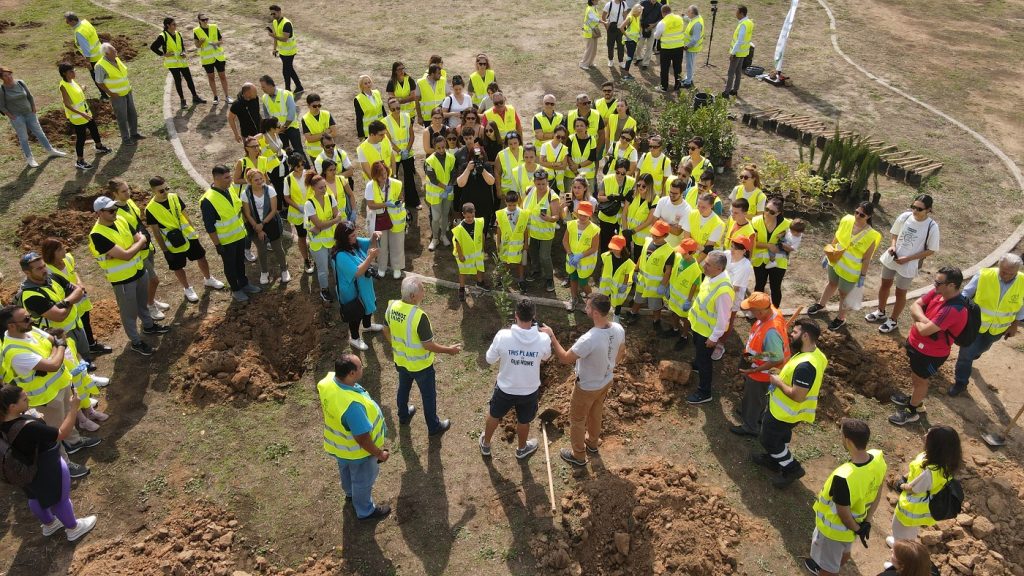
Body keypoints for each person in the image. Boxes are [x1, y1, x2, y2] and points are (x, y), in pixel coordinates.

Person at [0, 305, 100, 478]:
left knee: (68, 416)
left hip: (60, 385)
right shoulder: (15, 352)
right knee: (54, 434)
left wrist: (56, 347)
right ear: (11, 326)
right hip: (45, 398)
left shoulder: (30, 330)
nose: (31, 319)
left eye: (29, 315)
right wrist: (58, 347)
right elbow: (53, 364)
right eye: (25, 318)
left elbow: (56, 339)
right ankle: (65, 465)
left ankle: (74, 442)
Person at [0, 383, 98, 539]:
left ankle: (49, 524)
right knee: (59, 498)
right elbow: (61, 433)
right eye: (24, 399)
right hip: (45, 466)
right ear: (12, 406)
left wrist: (34, 417)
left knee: (34, 497)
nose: (29, 399)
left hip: (23, 471)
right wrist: (73, 408)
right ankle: (73, 528)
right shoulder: (28, 428)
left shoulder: (5, 422)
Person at [541, 293, 626, 467]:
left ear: (595, 313)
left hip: (586, 387)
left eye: (588, 307)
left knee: (577, 420)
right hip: (606, 381)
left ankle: (578, 456)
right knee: (596, 411)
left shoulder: (589, 339)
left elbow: (565, 358)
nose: (585, 309)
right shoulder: (618, 328)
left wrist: (552, 336)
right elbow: (622, 351)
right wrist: (609, 366)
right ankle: (592, 443)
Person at [805, 418, 887, 576]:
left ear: (848, 441)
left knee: (828, 568)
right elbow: (878, 491)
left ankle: (825, 569)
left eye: (841, 435)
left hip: (833, 532)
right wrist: (866, 523)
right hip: (855, 525)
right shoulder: (877, 459)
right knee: (844, 553)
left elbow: (843, 513)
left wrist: (857, 529)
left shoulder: (844, 477)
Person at [89, 196, 169, 355]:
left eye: (115, 208)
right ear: (99, 213)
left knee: (143, 303)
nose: (115, 212)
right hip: (123, 280)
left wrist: (131, 248)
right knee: (129, 313)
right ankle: (136, 342)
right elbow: (128, 253)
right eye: (111, 210)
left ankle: (148, 326)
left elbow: (140, 241)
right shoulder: (97, 235)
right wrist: (136, 245)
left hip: (139, 271)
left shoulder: (121, 220)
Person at [383, 276, 462, 436]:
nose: (424, 292)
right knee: (428, 396)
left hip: (401, 361)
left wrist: (397, 345)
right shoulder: (419, 316)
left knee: (403, 389)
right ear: (412, 296)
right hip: (421, 367)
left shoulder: (391, 307)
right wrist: (449, 350)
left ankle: (403, 416)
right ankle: (434, 427)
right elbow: (428, 345)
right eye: (422, 290)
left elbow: (385, 330)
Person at [889, 266, 968, 426]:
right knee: (916, 376)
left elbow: (924, 330)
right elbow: (914, 306)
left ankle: (912, 411)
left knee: (921, 380)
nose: (934, 285)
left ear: (951, 285)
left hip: (930, 354)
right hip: (916, 346)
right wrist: (926, 321)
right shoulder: (939, 292)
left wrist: (919, 319)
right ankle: (914, 400)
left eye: (938, 283)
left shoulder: (954, 309)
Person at [753, 318, 827, 488]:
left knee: (768, 440)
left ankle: (792, 468)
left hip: (784, 413)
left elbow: (798, 395)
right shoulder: (817, 355)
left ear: (805, 336)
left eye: (795, 332)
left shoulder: (806, 366)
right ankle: (774, 460)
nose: (791, 334)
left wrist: (777, 381)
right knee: (781, 436)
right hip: (792, 413)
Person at [316, 354, 391, 520]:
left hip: (339, 447)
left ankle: (350, 493)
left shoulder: (327, 382)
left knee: (346, 472)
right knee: (363, 481)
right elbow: (362, 439)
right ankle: (365, 511)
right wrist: (379, 454)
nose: (362, 368)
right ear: (351, 373)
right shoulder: (353, 406)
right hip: (358, 453)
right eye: (360, 366)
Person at [480, 298, 550, 459]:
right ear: (533, 316)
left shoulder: (503, 336)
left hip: (505, 388)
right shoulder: (543, 339)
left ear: (516, 315)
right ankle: (521, 449)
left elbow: (490, 359)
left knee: (494, 414)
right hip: (529, 390)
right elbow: (546, 357)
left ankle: (486, 444)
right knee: (524, 420)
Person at [950, 254, 1023, 396]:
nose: (1006, 276)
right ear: (999, 266)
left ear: (1017, 271)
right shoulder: (984, 275)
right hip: (975, 325)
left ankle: (975, 354)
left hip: (998, 329)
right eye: (1003, 272)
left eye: (1010, 274)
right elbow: (965, 294)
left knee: (981, 349)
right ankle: (960, 382)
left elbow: (1022, 305)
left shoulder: (1022, 281)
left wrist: (1015, 324)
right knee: (966, 354)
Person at [866, 194, 940, 334]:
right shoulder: (905, 217)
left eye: (919, 209)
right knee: (885, 285)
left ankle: (893, 320)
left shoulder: (932, 226)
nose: (915, 211)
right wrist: (893, 246)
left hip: (908, 264)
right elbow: (895, 233)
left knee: (900, 292)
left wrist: (909, 258)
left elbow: (931, 250)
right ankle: (880, 311)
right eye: (913, 207)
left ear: (928, 210)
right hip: (893, 258)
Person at [144, 176, 224, 303]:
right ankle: (187, 288)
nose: (165, 192)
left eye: (167, 188)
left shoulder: (174, 197)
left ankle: (208, 279)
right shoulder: (150, 209)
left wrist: (193, 230)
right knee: (178, 267)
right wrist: (165, 251)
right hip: (173, 244)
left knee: (202, 257)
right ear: (153, 191)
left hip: (189, 236)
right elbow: (157, 233)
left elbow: (185, 215)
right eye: (161, 191)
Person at [808, 202, 882, 332]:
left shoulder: (872, 235)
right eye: (856, 212)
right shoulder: (847, 220)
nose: (858, 216)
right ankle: (820, 304)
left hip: (850, 270)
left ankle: (841, 318)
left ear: (869, 217)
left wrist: (862, 276)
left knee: (843, 294)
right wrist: (828, 253)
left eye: (862, 215)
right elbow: (837, 237)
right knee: (831, 283)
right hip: (835, 261)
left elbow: (866, 259)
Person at [888, 426, 962, 547]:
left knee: (898, 528)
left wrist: (900, 484)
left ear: (935, 447)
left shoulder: (928, 473)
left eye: (929, 435)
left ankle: (899, 554)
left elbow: (913, 488)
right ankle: (902, 543)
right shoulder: (945, 463)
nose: (925, 435)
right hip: (921, 510)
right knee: (910, 531)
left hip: (910, 509)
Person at [729, 292, 790, 436]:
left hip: (761, 371)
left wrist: (753, 371)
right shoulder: (772, 310)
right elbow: (771, 352)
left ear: (762, 311)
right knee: (755, 397)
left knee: (755, 395)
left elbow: (776, 359)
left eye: (752, 310)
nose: (750, 312)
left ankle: (750, 427)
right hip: (755, 358)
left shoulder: (771, 333)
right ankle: (751, 412)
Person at [107, 178, 168, 320]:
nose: (128, 193)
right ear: (114, 194)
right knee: (154, 280)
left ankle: (150, 300)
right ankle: (150, 306)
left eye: (128, 189)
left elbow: (139, 222)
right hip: (138, 251)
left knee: (148, 281)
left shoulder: (129, 202)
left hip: (146, 246)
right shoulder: (116, 213)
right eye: (123, 191)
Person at [17, 252, 92, 368]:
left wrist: (65, 302)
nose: (44, 270)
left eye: (44, 266)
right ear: (27, 273)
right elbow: (59, 316)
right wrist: (71, 300)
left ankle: (88, 368)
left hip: (77, 325)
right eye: (39, 269)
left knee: (85, 356)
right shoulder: (30, 295)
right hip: (59, 336)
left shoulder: (52, 277)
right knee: (72, 365)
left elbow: (79, 290)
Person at [40, 240, 110, 356]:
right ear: (52, 253)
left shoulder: (68, 258)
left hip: (80, 299)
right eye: (60, 249)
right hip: (68, 301)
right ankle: (79, 354)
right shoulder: (48, 270)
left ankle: (91, 345)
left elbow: (74, 272)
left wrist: (79, 283)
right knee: (73, 329)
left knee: (85, 322)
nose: (65, 250)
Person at [202, 165, 260, 303]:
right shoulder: (208, 200)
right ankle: (235, 289)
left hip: (239, 236)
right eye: (227, 177)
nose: (230, 180)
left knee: (240, 263)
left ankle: (244, 284)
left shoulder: (230, 189)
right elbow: (209, 227)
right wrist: (217, 245)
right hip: (226, 241)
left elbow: (237, 210)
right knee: (230, 266)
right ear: (216, 178)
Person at [686, 250, 733, 404]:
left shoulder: (723, 291)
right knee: (700, 354)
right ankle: (697, 364)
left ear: (719, 269)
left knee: (706, 362)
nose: (703, 266)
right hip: (698, 326)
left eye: (707, 264)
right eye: (705, 262)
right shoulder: (711, 276)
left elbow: (723, 318)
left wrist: (714, 338)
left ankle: (704, 392)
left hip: (707, 333)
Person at [332, 224, 385, 351]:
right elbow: (357, 272)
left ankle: (367, 326)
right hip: (351, 291)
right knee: (355, 314)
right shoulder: (341, 256)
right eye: (352, 235)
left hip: (363, 286)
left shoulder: (353, 243)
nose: (356, 237)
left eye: (355, 234)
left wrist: (373, 236)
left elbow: (368, 242)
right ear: (344, 238)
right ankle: (354, 338)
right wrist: (370, 257)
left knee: (368, 303)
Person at [2, 68, 66, 168]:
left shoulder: (20, 83)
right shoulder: (2, 90)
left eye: (9, 74)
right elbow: (1, 106)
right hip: (17, 117)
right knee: (23, 138)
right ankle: (30, 158)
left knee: (40, 133)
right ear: (2, 78)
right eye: (5, 76)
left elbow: (29, 96)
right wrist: (11, 116)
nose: (8, 77)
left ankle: (51, 151)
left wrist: (33, 107)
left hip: (29, 113)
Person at [55, 64, 108, 171]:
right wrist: (82, 114)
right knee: (81, 138)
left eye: (74, 70)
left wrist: (82, 88)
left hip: (86, 112)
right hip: (78, 117)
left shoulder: (72, 81)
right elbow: (67, 104)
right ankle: (79, 161)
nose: (74, 73)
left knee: (94, 129)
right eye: (71, 71)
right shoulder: (63, 86)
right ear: (64, 73)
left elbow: (76, 93)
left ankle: (99, 146)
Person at [241, 170, 289, 286]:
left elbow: (273, 210)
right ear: (249, 181)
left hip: (271, 222)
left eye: (261, 179)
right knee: (261, 249)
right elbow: (247, 214)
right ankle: (264, 272)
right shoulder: (245, 193)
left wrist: (262, 225)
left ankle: (284, 269)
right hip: (254, 224)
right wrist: (257, 228)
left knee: (277, 247)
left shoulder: (270, 190)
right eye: (256, 180)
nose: (259, 182)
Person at [624, 219, 673, 327]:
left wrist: (663, 285)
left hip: (655, 285)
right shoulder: (647, 241)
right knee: (638, 298)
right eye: (653, 234)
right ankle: (633, 313)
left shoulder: (669, 251)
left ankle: (656, 321)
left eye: (658, 236)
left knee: (655, 305)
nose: (654, 237)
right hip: (642, 280)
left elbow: (668, 270)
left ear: (666, 235)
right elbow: (642, 256)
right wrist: (636, 270)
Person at [365, 161, 407, 279]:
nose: (384, 176)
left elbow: (401, 198)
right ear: (375, 176)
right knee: (381, 245)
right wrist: (386, 204)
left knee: (397, 243)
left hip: (395, 219)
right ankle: (382, 267)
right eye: (380, 174)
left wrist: (399, 203)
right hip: (380, 219)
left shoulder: (396, 183)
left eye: (384, 173)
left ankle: (397, 267)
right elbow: (371, 205)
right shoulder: (370, 186)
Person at [150, 17, 206, 109]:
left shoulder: (178, 34)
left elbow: (182, 47)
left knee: (189, 79)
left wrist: (183, 52)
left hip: (182, 61)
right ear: (168, 25)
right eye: (173, 24)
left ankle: (195, 97)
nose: (176, 25)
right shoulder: (162, 36)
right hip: (172, 63)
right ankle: (182, 100)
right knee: (178, 81)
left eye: (175, 24)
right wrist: (163, 54)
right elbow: (153, 47)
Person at [714, 235, 754, 360]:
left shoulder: (745, 266)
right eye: (732, 246)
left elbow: (734, 288)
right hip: (718, 293)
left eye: (736, 248)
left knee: (727, 321)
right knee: (716, 317)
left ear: (744, 251)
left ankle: (720, 344)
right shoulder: (726, 255)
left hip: (731, 298)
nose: (732, 249)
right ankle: (713, 337)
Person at [304, 172, 342, 301]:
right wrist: (333, 221)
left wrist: (321, 226)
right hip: (318, 243)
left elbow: (322, 224)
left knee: (337, 266)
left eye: (325, 186)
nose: (324, 189)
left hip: (332, 240)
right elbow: (320, 223)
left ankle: (340, 287)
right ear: (313, 188)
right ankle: (324, 290)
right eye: (321, 187)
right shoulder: (309, 204)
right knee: (323, 270)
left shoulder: (330, 198)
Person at [95, 43, 143, 146]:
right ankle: (125, 138)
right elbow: (99, 82)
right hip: (116, 96)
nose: (116, 51)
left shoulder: (116, 59)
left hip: (127, 91)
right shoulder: (100, 66)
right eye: (114, 51)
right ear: (107, 53)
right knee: (122, 118)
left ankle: (134, 133)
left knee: (132, 114)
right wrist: (110, 93)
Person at [751, 197, 792, 308]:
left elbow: (792, 246)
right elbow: (752, 243)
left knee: (775, 287)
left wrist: (782, 245)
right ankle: (756, 309)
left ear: (778, 213)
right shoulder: (756, 221)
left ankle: (775, 312)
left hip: (778, 262)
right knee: (759, 285)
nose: (767, 213)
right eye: (766, 209)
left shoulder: (788, 225)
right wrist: (768, 245)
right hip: (759, 261)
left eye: (772, 212)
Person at [524, 170, 561, 293]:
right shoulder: (530, 191)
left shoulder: (553, 197)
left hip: (546, 233)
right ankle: (536, 271)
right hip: (531, 232)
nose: (541, 187)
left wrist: (549, 219)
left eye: (543, 184)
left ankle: (549, 278)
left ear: (547, 182)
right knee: (533, 253)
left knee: (544, 256)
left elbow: (557, 216)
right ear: (534, 182)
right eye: (538, 184)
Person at [663, 237, 703, 347]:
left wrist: (689, 300)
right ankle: (675, 329)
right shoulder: (679, 258)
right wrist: (668, 286)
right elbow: (674, 273)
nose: (682, 255)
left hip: (684, 299)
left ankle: (684, 335)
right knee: (674, 313)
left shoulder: (696, 269)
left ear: (693, 253)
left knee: (685, 318)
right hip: (674, 296)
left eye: (684, 253)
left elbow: (694, 286)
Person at [381, 98, 418, 211]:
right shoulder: (385, 122)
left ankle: (413, 202)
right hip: (394, 156)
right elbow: (388, 140)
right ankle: (393, 202)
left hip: (407, 153)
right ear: (389, 109)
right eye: (393, 109)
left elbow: (412, 135)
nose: (396, 111)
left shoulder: (406, 117)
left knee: (409, 178)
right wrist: (399, 151)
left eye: (398, 108)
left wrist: (407, 150)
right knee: (393, 179)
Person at [456, 135, 497, 232]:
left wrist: (482, 170)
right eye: (475, 158)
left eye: (480, 158)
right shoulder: (465, 166)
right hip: (469, 204)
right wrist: (468, 170)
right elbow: (460, 183)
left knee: (483, 230)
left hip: (484, 204)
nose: (478, 160)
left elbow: (491, 181)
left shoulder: (486, 166)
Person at [564, 201, 601, 308]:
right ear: (577, 213)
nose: (583, 217)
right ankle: (574, 298)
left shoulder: (594, 229)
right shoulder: (571, 225)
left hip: (585, 262)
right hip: (572, 260)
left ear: (590, 214)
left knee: (583, 282)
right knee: (573, 278)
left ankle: (592, 303)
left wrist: (580, 255)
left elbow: (594, 248)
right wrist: (570, 254)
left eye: (586, 215)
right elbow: (565, 241)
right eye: (581, 214)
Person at [423, 134, 456, 251]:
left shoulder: (451, 158)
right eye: (438, 148)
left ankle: (443, 236)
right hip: (436, 193)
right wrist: (445, 187)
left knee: (445, 214)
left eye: (443, 147)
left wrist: (450, 185)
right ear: (434, 147)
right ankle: (435, 238)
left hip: (448, 192)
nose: (441, 150)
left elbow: (453, 173)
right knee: (436, 217)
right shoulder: (429, 161)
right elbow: (432, 178)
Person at [259, 75, 303, 162]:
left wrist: (284, 127)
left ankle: (305, 169)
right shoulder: (264, 98)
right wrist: (275, 130)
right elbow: (267, 116)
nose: (262, 89)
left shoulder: (285, 94)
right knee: (284, 152)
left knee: (298, 150)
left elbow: (291, 112)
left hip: (291, 127)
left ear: (270, 85)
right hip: (277, 131)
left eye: (263, 87)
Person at [452, 203, 489, 302]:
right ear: (463, 214)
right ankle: (462, 288)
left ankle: (480, 283)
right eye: (468, 217)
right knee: (463, 271)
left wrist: (483, 248)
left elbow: (482, 235)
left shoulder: (479, 222)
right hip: (465, 255)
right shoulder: (460, 228)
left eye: (472, 216)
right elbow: (457, 242)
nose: (470, 219)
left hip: (477, 253)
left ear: (474, 213)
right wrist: (460, 254)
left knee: (479, 267)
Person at [282, 153, 313, 273]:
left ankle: (316, 255)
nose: (301, 167)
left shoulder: (309, 174)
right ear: (292, 166)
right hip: (299, 213)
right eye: (298, 166)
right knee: (302, 235)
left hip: (312, 210)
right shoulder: (288, 179)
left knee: (314, 233)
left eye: (302, 164)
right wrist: (299, 207)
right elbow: (287, 197)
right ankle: (306, 260)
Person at [64, 12, 106, 97]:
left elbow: (86, 49)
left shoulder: (79, 32)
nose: (67, 23)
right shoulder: (85, 23)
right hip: (101, 53)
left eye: (67, 21)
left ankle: (104, 95)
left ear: (72, 21)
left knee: (97, 78)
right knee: (105, 75)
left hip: (94, 59)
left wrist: (88, 62)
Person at [192, 14, 230, 104]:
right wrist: (200, 42)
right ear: (199, 20)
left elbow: (221, 41)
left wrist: (215, 43)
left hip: (218, 57)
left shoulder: (214, 27)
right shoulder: (196, 31)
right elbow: (197, 45)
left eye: (206, 19)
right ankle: (215, 97)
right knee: (211, 78)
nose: (205, 21)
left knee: (223, 76)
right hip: (207, 59)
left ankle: (227, 96)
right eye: (203, 20)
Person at [597, 234, 636, 321]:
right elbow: (603, 266)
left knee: (618, 300)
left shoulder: (627, 262)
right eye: (613, 247)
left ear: (623, 248)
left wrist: (624, 285)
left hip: (618, 285)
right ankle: (603, 314)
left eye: (617, 248)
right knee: (604, 298)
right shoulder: (606, 256)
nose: (614, 250)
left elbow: (627, 274)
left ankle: (616, 316)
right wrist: (601, 276)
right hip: (606, 283)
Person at [496, 191, 529, 291]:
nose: (512, 207)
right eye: (509, 205)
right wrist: (498, 243)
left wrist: (526, 244)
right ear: (505, 202)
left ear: (518, 202)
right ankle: (503, 278)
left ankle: (521, 280)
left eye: (514, 205)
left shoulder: (523, 213)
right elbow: (498, 229)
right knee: (505, 262)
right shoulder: (501, 214)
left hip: (518, 244)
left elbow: (526, 230)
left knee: (520, 263)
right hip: (505, 244)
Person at [597, 159, 633, 251]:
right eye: (617, 172)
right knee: (605, 242)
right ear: (615, 170)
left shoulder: (632, 182)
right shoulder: (607, 179)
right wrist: (609, 197)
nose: (620, 175)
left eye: (623, 173)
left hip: (622, 219)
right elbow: (599, 197)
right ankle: (605, 260)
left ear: (627, 172)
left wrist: (624, 202)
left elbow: (633, 201)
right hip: (607, 217)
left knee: (622, 244)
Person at [267, 4, 302, 94]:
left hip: (290, 52)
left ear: (279, 12)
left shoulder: (286, 23)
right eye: (271, 14)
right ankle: (299, 87)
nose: (272, 16)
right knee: (289, 69)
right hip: (283, 51)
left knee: (286, 71)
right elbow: (276, 36)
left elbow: (284, 38)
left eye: (274, 14)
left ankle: (287, 90)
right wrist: (274, 48)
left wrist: (273, 35)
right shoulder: (275, 22)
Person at [624, 173, 657, 261]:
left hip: (641, 237)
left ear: (649, 186)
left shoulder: (654, 199)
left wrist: (633, 231)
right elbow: (624, 213)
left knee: (638, 260)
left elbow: (649, 221)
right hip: (627, 232)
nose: (640, 188)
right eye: (638, 185)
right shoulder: (632, 193)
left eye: (644, 186)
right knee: (625, 258)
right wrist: (625, 230)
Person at [653, 4, 685, 92]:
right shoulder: (679, 18)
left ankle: (664, 87)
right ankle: (677, 86)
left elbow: (656, 36)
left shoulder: (662, 22)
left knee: (664, 68)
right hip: (679, 47)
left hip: (666, 49)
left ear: (662, 13)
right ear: (670, 11)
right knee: (678, 67)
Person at [724, 5, 754, 97]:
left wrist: (733, 53)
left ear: (741, 13)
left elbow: (739, 40)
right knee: (738, 72)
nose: (735, 14)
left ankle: (726, 93)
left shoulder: (743, 25)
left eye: (737, 12)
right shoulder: (749, 22)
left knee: (731, 73)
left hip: (737, 52)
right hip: (743, 52)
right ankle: (735, 90)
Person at [653, 177, 690, 248]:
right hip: (657, 242)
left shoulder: (687, 209)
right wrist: (671, 226)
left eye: (675, 193)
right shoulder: (662, 201)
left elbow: (677, 232)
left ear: (682, 193)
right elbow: (654, 221)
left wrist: (661, 221)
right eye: (670, 192)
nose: (672, 195)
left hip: (672, 247)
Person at [687, 192, 725, 258]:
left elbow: (707, 249)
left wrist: (696, 263)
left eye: (703, 207)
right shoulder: (691, 213)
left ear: (712, 206)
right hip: (688, 253)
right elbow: (686, 238)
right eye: (698, 206)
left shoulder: (718, 224)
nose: (699, 209)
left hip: (704, 258)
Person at [300, 92, 336, 160]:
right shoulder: (305, 119)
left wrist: (315, 136)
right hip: (315, 154)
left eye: (319, 105)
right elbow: (309, 139)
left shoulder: (327, 114)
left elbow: (334, 133)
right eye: (314, 106)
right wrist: (325, 133)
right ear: (308, 105)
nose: (317, 108)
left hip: (329, 152)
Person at [568, 118, 599, 194]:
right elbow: (568, 156)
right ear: (574, 128)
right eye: (577, 126)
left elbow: (592, 158)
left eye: (582, 125)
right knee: (570, 198)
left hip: (588, 176)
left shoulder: (592, 140)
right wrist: (575, 171)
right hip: (571, 174)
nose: (579, 128)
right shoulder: (570, 139)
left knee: (588, 198)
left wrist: (578, 166)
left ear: (586, 127)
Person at [495, 131, 525, 201]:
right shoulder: (501, 155)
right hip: (508, 191)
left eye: (515, 143)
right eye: (510, 144)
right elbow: (497, 173)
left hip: (523, 189)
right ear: (507, 144)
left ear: (519, 142)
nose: (513, 146)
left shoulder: (525, 151)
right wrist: (498, 190)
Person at [540, 125, 570, 193]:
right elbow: (541, 162)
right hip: (547, 180)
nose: (560, 139)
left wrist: (548, 164)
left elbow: (564, 166)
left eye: (562, 137)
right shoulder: (545, 145)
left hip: (559, 180)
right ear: (553, 134)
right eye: (558, 136)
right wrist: (556, 164)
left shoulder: (564, 148)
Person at [680, 5, 705, 89]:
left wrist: (687, 46)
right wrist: (684, 17)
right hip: (692, 47)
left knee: (689, 65)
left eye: (688, 12)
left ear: (693, 13)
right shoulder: (696, 18)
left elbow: (695, 39)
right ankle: (688, 78)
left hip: (692, 48)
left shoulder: (697, 24)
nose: (687, 13)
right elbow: (689, 19)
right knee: (690, 64)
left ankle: (688, 82)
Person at [354, 75, 385, 140]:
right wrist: (360, 134)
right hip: (369, 131)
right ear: (361, 85)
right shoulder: (358, 99)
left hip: (381, 128)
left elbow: (382, 110)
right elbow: (359, 118)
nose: (368, 85)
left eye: (369, 82)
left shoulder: (377, 93)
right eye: (365, 83)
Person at [637, 0, 664, 68]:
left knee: (649, 46)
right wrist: (640, 24)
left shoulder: (660, 6)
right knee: (639, 44)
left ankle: (645, 63)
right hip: (642, 27)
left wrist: (653, 25)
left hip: (653, 28)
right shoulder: (643, 3)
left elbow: (661, 19)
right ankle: (639, 58)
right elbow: (638, 13)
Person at [602, 0, 628, 68]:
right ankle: (610, 60)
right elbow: (603, 16)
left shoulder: (624, 4)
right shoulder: (609, 4)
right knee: (610, 45)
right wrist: (607, 27)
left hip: (621, 29)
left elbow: (625, 17)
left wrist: (625, 27)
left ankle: (621, 61)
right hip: (612, 28)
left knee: (621, 45)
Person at [620, 5, 643, 80]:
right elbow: (621, 27)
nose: (640, 14)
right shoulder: (630, 17)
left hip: (634, 40)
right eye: (639, 12)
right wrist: (627, 36)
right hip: (630, 41)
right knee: (630, 57)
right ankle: (626, 75)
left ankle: (626, 72)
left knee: (630, 56)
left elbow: (637, 27)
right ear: (635, 11)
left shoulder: (637, 17)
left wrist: (639, 34)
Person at [580, 0, 603, 70]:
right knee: (589, 49)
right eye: (596, 0)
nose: (598, 1)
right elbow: (593, 18)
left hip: (593, 31)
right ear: (592, 1)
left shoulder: (594, 7)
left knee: (594, 48)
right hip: (589, 32)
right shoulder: (589, 9)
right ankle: (583, 63)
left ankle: (590, 62)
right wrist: (602, 21)